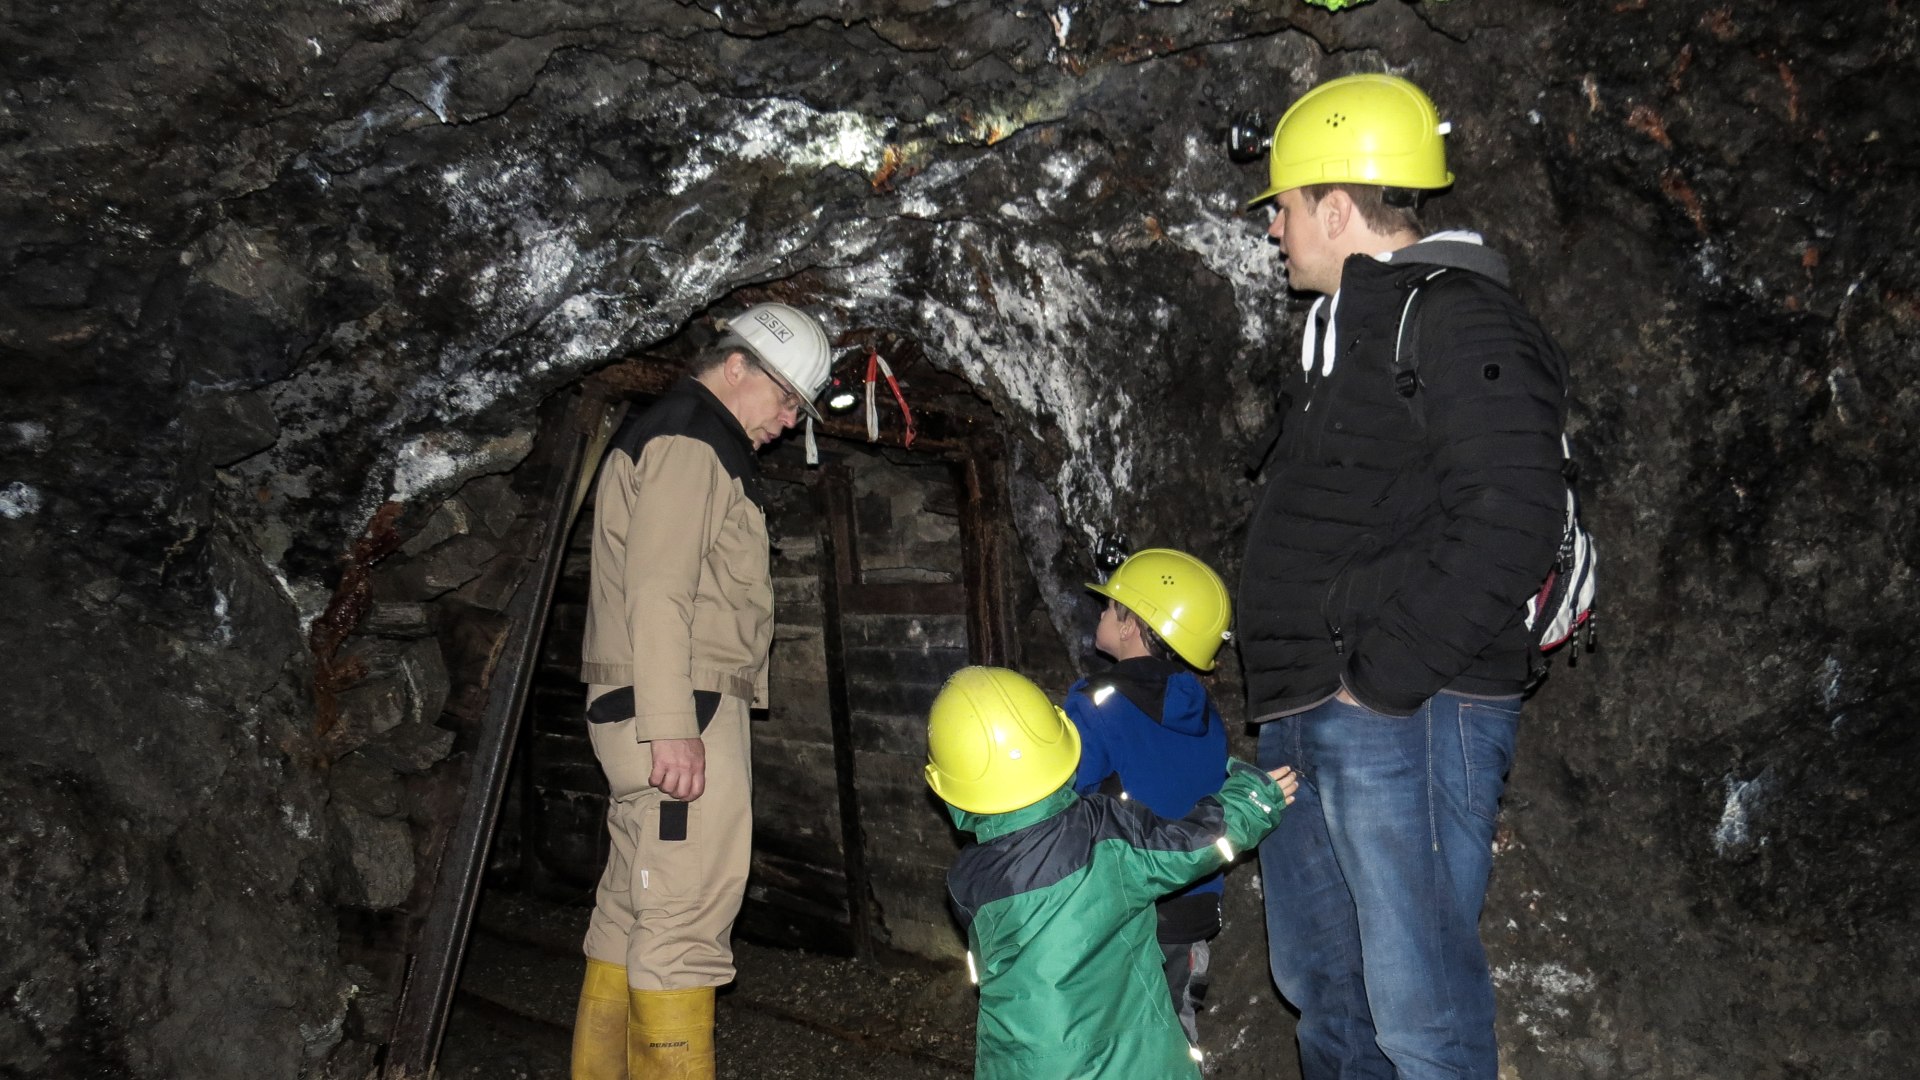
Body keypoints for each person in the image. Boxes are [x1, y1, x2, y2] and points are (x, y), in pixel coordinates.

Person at [1238, 73, 1571, 1079]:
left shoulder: (1459, 317)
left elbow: (1516, 516)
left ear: (1336, 205)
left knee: (1419, 1011)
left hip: (1405, 710)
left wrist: (1377, 681)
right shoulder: (1333, 335)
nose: (1273, 232)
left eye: (1284, 208)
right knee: (1328, 995)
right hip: (1311, 706)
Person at [569, 302, 833, 1080]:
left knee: (631, 907)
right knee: (686, 921)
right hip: (680, 704)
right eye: (787, 399)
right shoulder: (692, 439)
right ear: (739, 365)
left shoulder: (682, 434)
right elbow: (660, 591)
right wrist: (671, 725)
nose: (789, 420)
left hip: (651, 702)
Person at [926, 665, 1299, 1080]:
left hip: (1016, 1065)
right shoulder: (1102, 831)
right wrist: (1254, 798)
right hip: (1125, 1061)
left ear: (948, 788)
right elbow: (1188, 847)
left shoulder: (964, 881)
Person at [1064, 547, 1235, 1051]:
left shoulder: (1093, 703)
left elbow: (1068, 805)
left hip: (1124, 910)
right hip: (1193, 907)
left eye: (1111, 605)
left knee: (1115, 1046)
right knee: (1175, 1037)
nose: (1100, 611)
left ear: (1133, 623)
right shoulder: (1205, 710)